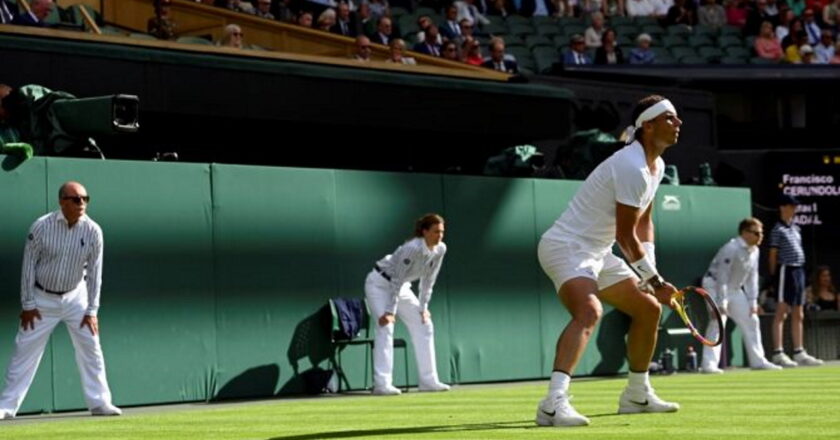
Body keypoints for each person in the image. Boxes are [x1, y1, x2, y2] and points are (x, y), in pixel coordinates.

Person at [535, 95, 682, 427]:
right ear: (648, 126)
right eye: (670, 118)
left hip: (598, 252)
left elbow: (644, 223)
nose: (678, 123)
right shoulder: (630, 166)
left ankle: (636, 394)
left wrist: (651, 274)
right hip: (566, 247)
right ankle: (552, 404)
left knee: (649, 309)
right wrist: (655, 281)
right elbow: (626, 236)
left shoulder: (655, 167)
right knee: (590, 311)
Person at [0, 182, 121, 419]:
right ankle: (6, 406)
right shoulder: (41, 227)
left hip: (77, 297)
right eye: (76, 199)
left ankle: (100, 403)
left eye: (86, 199)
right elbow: (28, 268)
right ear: (62, 202)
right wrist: (28, 305)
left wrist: (92, 310)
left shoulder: (94, 231)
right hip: (42, 299)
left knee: (91, 348)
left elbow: (96, 274)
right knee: (24, 351)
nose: (82, 204)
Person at [365, 214, 450, 395]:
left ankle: (428, 381)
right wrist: (390, 311)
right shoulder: (412, 248)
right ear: (424, 232)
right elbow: (397, 278)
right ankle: (382, 384)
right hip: (379, 284)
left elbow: (429, 279)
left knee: (425, 324)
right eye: (435, 232)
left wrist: (423, 307)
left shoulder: (440, 249)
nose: (440, 236)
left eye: (442, 232)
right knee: (386, 326)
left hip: (401, 288)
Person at [699, 218, 782, 374]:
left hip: (735, 290)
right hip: (714, 286)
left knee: (752, 320)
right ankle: (708, 365)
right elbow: (722, 277)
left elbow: (752, 278)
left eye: (761, 233)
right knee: (717, 323)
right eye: (756, 233)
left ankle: (758, 362)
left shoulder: (755, 251)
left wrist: (753, 303)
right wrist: (721, 302)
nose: (760, 236)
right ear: (745, 233)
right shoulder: (731, 248)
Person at [768, 195, 824, 367]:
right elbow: (772, 255)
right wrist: (774, 277)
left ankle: (799, 351)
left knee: (798, 313)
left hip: (799, 270)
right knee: (782, 312)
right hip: (786, 270)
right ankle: (778, 352)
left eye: (795, 206)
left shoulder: (796, 228)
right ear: (783, 208)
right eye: (791, 206)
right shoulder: (777, 229)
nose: (794, 209)